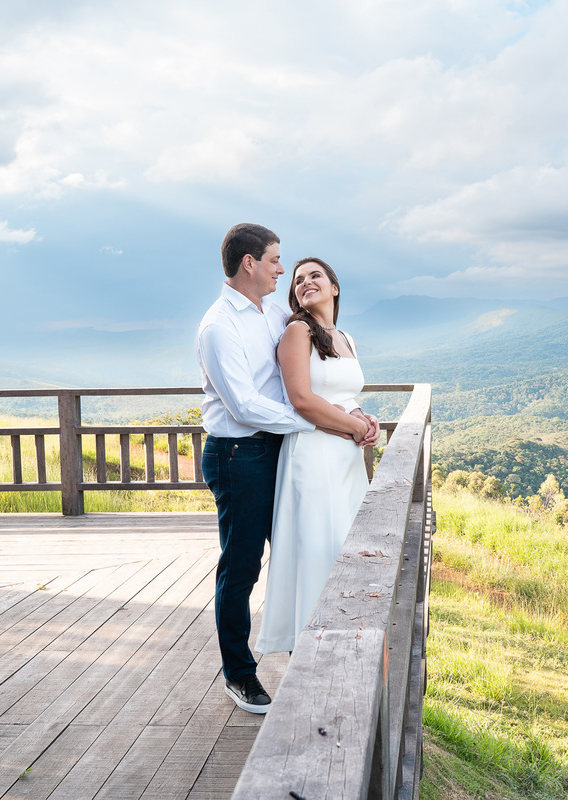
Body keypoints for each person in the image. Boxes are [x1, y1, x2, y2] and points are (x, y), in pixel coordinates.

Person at [196, 225, 374, 715]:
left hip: (284, 446)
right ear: (250, 263)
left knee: (303, 548)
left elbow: (316, 372)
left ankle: (309, 655)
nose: (282, 269)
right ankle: (239, 674)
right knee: (242, 565)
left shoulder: (272, 313)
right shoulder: (218, 327)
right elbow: (247, 405)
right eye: (276, 260)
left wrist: (344, 414)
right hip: (239, 455)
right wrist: (325, 421)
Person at [255, 257, 374, 654]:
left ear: (334, 287)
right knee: (318, 548)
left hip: (346, 460)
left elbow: (342, 393)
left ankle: (347, 641)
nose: (306, 282)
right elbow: (302, 400)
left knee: (345, 547)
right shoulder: (297, 332)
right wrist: (355, 428)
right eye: (298, 279)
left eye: (315, 275)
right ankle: (312, 651)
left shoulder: (346, 337)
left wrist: (360, 415)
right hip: (313, 454)